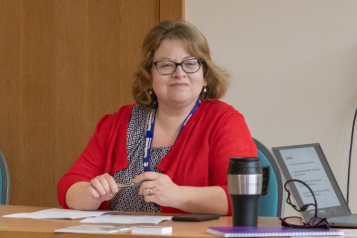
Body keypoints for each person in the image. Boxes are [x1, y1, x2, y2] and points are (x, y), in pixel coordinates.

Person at [57, 20, 257, 215]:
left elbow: (243, 197)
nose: (179, 73)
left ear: (205, 75)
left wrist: (177, 195)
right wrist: (91, 195)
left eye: (190, 63)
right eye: (166, 65)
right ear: (149, 75)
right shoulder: (117, 123)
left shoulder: (225, 121)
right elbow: (69, 187)